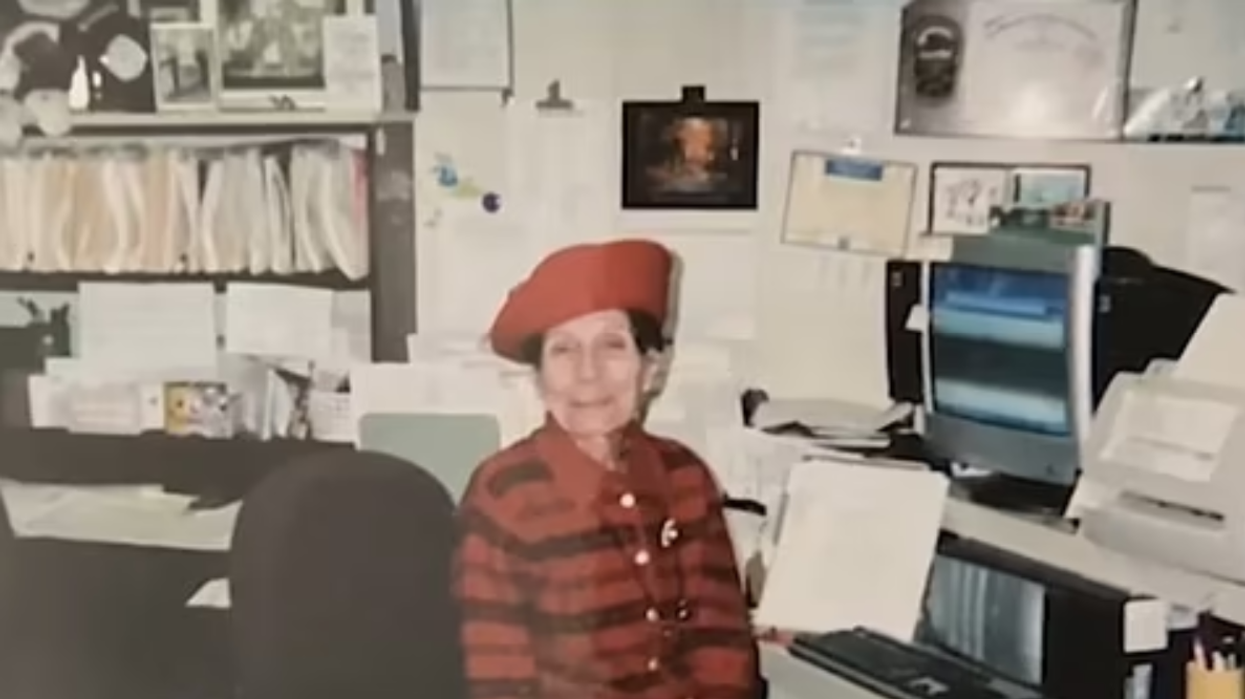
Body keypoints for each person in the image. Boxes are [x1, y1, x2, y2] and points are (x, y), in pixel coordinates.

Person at [453, 239, 759, 699]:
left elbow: (724, 652)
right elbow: (499, 682)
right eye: (564, 350)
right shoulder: (505, 494)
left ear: (650, 369)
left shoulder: (685, 477)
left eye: (612, 346)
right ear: (539, 378)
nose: (588, 373)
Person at [648, 117, 728, 194]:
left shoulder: (720, 182)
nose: (694, 149)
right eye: (687, 141)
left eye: (698, 141)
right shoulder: (659, 178)